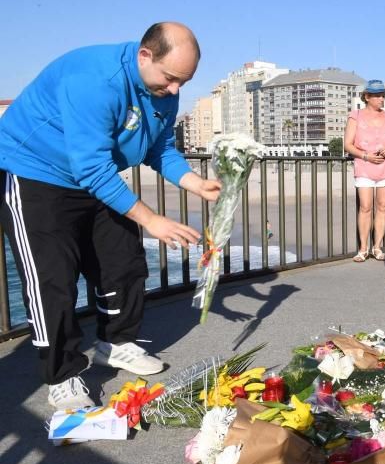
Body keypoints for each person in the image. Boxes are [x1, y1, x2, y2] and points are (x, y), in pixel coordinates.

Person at [0, 22, 221, 410]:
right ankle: (62, 374)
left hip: (92, 175)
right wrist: (151, 219)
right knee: (53, 278)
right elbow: (91, 168)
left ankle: (115, 343)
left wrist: (193, 182)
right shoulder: (95, 80)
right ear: (144, 55)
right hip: (34, 172)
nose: (175, 92)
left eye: (183, 82)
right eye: (170, 79)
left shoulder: (163, 90)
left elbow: (160, 147)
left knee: (124, 261)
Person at [344, 79, 385, 262]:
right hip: (364, 167)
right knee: (366, 207)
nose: (381, 99)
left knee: (383, 207)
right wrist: (366, 156)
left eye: (383, 95)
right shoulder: (355, 116)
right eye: (377, 95)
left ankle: (377, 248)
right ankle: (363, 249)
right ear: (367, 97)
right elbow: (348, 145)